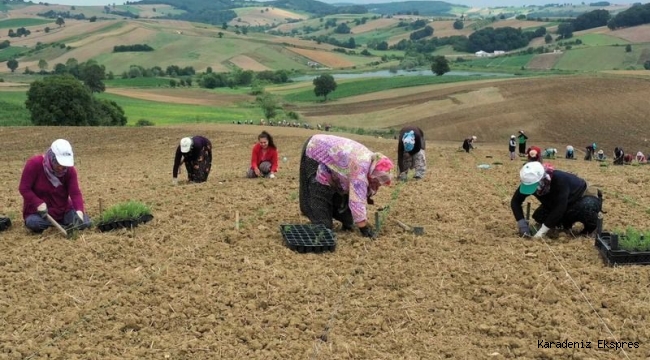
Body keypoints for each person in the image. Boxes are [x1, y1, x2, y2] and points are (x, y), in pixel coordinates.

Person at [299, 134, 393, 238]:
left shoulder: (372, 161)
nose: (378, 185)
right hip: (315, 149)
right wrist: (364, 228)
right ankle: (319, 217)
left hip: (333, 161)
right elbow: (356, 200)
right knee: (323, 224)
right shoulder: (360, 170)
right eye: (378, 182)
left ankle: (340, 215)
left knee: (349, 220)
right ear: (374, 175)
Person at [512, 161, 602, 238]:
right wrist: (522, 225)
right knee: (540, 217)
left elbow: (560, 207)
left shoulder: (559, 180)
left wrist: (541, 232)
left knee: (587, 207)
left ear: (541, 179)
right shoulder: (529, 181)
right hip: (557, 203)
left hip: (578, 199)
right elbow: (515, 202)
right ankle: (565, 225)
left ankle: (591, 229)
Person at [18, 139, 92, 234]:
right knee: (33, 223)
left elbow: (75, 193)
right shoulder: (34, 164)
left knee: (85, 222)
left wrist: (79, 212)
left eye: (64, 165)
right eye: (57, 163)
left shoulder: (70, 171)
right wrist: (38, 203)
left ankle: (62, 225)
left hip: (63, 211)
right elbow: (24, 188)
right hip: (40, 214)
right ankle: (64, 226)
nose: (61, 168)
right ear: (51, 156)